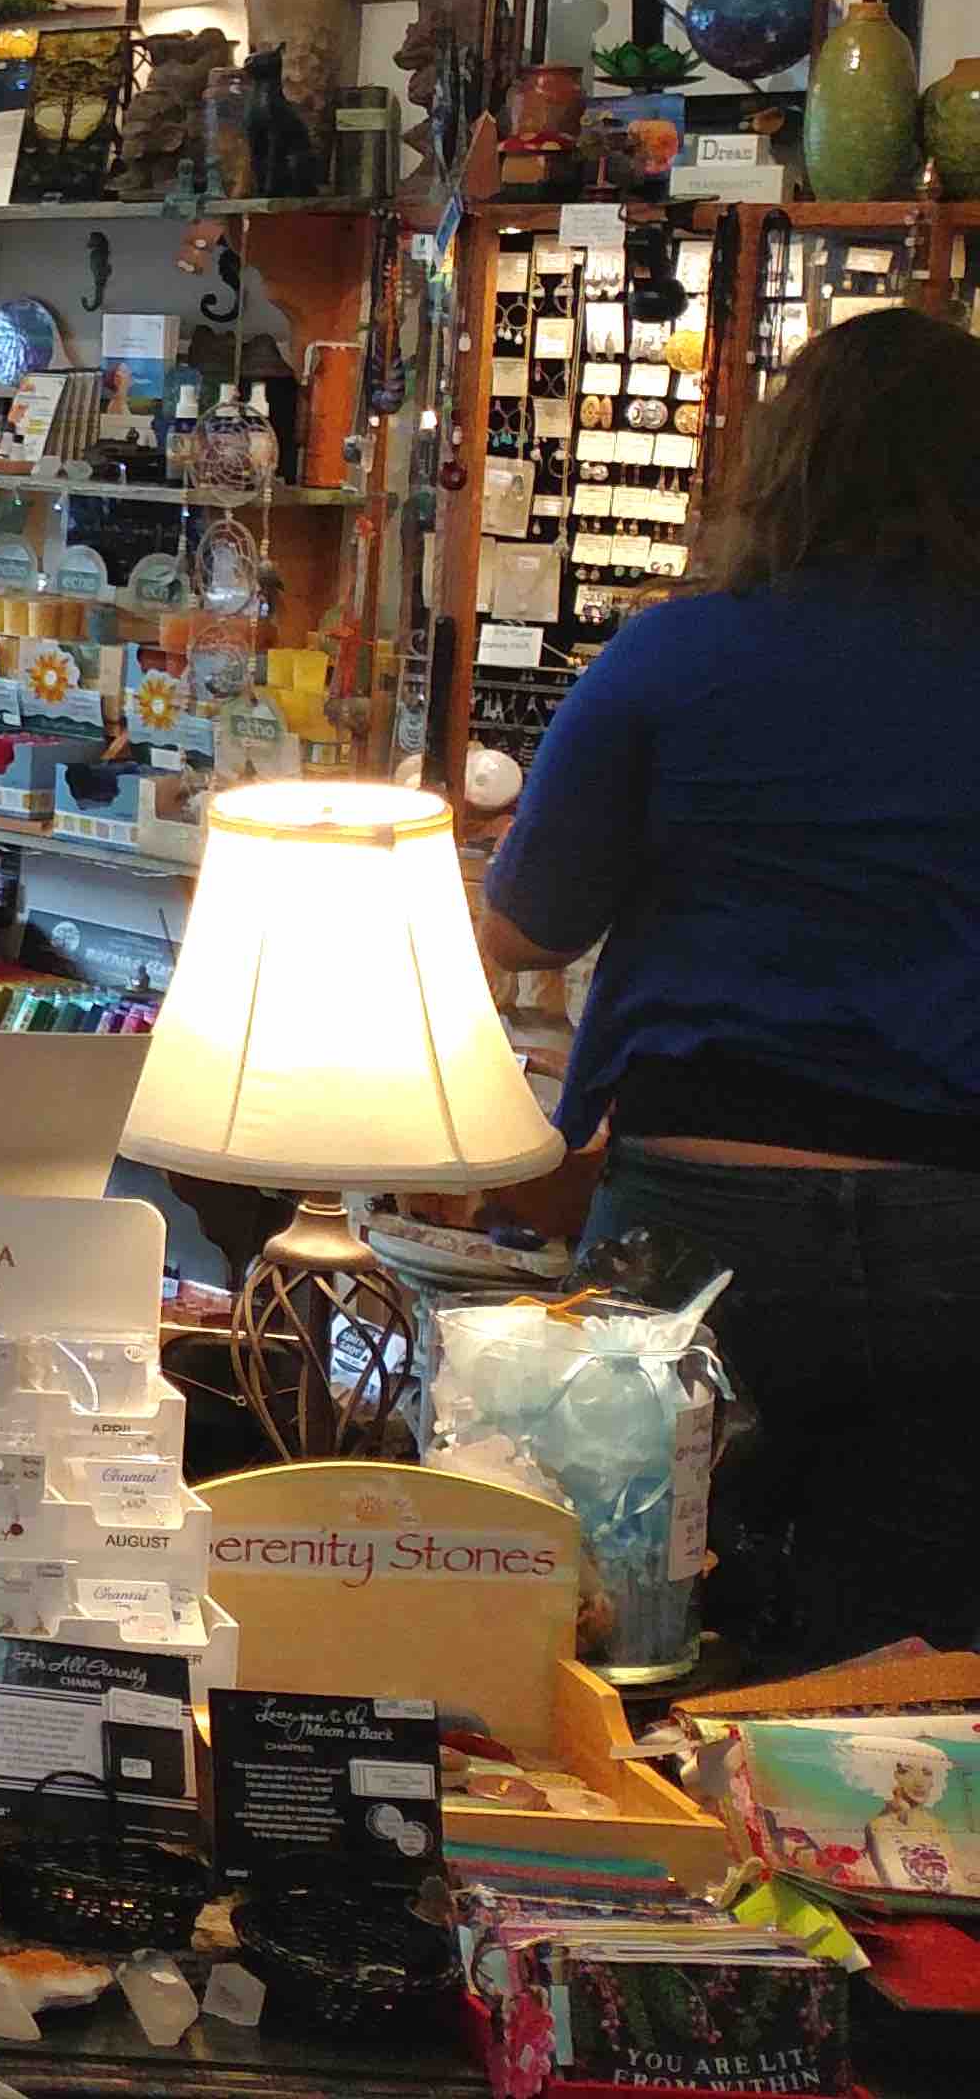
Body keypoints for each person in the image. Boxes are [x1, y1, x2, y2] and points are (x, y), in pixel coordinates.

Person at [477, 304, 980, 1666]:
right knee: (905, 1669)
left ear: (786, 462)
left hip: (699, 1213)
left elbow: (525, 930)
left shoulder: (677, 655)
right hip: (954, 1215)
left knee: (630, 1621)